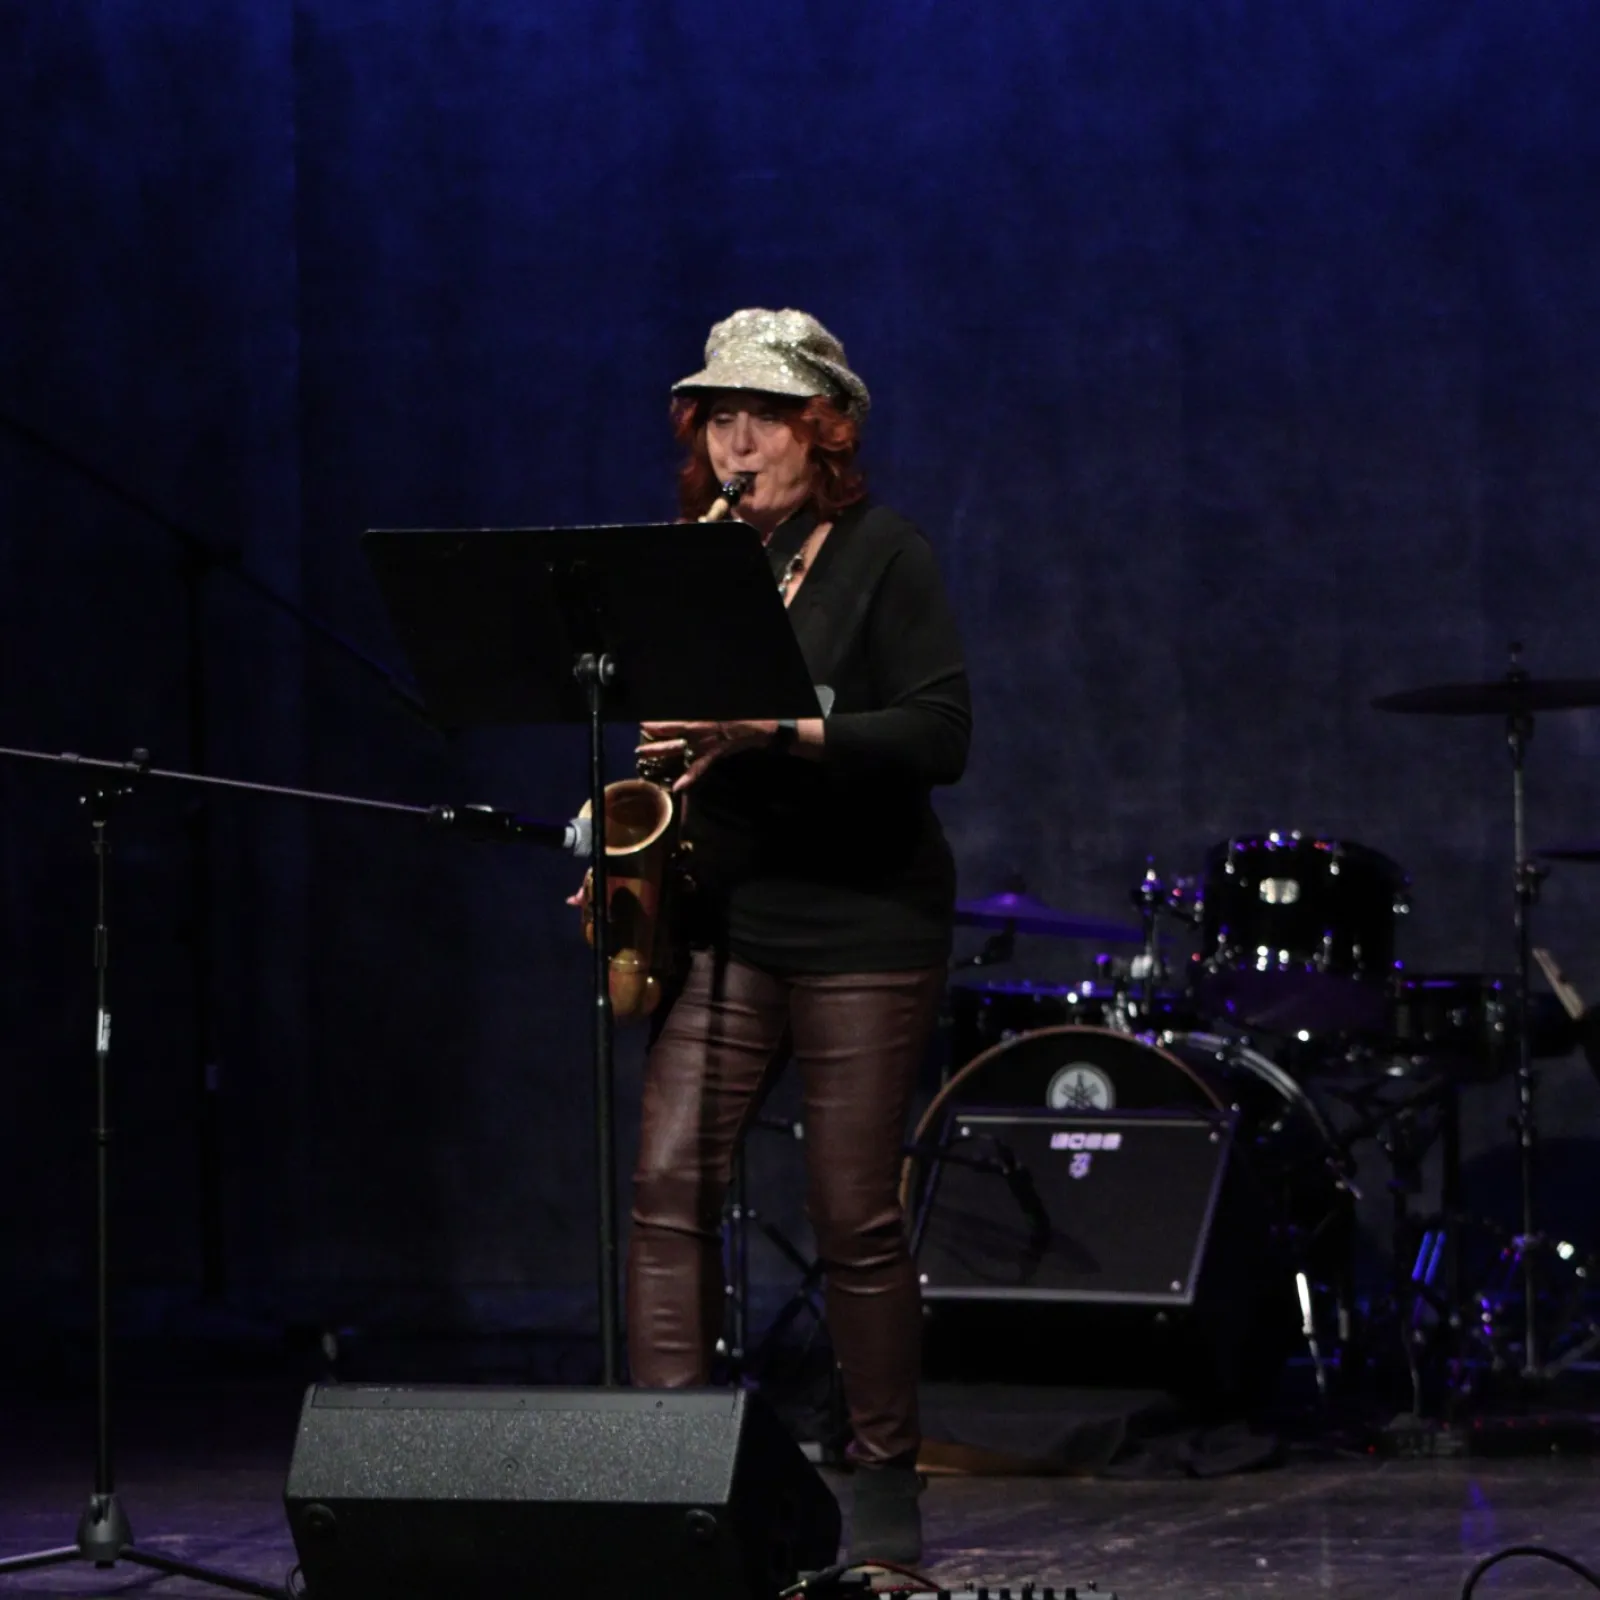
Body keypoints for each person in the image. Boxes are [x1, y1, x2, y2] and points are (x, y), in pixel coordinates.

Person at [626, 308, 971, 1563]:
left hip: (865, 920)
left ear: (821, 433)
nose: (736, 440)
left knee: (851, 1216)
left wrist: (772, 729)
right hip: (729, 917)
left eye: (762, 416)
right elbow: (681, 751)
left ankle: (883, 1482)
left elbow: (939, 736)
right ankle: (668, 1468)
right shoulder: (698, 564)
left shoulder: (885, 556)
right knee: (668, 1184)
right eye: (718, 417)